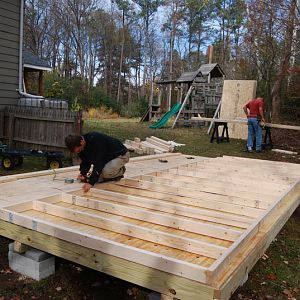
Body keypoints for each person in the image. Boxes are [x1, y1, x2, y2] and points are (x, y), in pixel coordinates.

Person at [65, 132, 129, 193]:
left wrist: (91, 183)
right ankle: (112, 169)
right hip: (108, 157)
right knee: (100, 175)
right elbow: (85, 161)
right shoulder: (81, 146)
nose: (78, 152)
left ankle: (121, 170)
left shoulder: (95, 141)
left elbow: (99, 163)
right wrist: (83, 173)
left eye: (79, 150)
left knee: (106, 172)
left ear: (81, 142)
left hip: (120, 155)